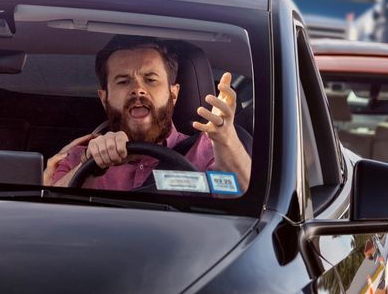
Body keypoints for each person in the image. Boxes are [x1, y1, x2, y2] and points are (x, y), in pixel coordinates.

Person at [45, 37, 252, 192]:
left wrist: (226, 140)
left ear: (173, 94)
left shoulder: (209, 151)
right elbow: (48, 214)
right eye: (123, 81)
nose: (138, 90)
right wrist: (91, 165)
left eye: (151, 80)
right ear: (104, 98)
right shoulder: (78, 156)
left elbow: (245, 202)